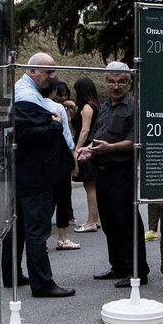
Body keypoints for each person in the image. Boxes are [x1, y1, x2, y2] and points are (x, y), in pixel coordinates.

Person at [2, 53, 75, 297]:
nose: (53, 78)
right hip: (36, 173)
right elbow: (27, 134)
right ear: (32, 71)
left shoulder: (22, 93)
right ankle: (42, 283)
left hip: (26, 171)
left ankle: (11, 274)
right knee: (36, 229)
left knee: (19, 226)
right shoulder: (27, 97)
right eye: (48, 72)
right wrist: (54, 125)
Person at [81, 61, 148, 288]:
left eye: (121, 82)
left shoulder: (134, 106)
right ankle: (118, 265)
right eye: (111, 81)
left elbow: (135, 141)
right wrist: (87, 149)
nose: (115, 86)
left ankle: (138, 270)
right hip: (103, 171)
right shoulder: (105, 107)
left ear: (129, 83)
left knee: (127, 221)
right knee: (109, 221)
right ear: (106, 82)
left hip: (123, 170)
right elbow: (98, 135)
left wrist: (109, 149)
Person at [48, 81, 80, 250]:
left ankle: (43, 239)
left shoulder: (36, 105)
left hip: (46, 159)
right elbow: (68, 137)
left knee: (48, 200)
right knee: (61, 197)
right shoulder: (58, 109)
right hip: (61, 157)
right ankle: (62, 237)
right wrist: (74, 158)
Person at [71, 76, 102, 233]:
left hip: (86, 149)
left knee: (90, 186)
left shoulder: (87, 108)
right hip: (94, 147)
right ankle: (95, 220)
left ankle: (91, 221)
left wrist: (77, 149)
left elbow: (84, 130)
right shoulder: (96, 105)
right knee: (92, 185)